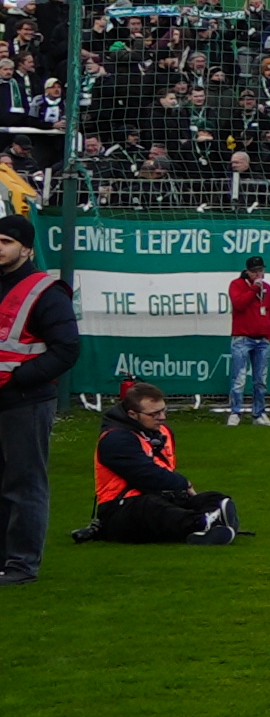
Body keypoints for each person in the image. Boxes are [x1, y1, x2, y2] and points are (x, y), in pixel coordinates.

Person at [0, 211, 80, 584]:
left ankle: (22, 564)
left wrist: (18, 379)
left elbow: (66, 349)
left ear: (27, 249)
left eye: (6, 242)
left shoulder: (45, 291)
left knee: (25, 484)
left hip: (25, 399)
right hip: (11, 397)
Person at [75, 380, 238, 546]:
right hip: (120, 509)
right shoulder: (115, 439)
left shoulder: (162, 431)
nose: (162, 418)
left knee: (214, 498)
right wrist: (183, 483)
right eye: (154, 414)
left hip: (159, 496)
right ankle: (204, 523)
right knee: (150, 507)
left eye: (163, 411)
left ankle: (209, 523)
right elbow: (146, 475)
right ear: (132, 414)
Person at [224, 248, 270, 425]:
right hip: (242, 338)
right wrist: (254, 289)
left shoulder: (267, 288)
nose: (258, 274)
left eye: (261, 271)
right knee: (239, 378)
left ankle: (259, 414)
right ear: (247, 272)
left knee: (260, 380)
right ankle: (235, 412)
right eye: (255, 271)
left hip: (262, 340)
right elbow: (239, 305)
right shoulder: (236, 285)